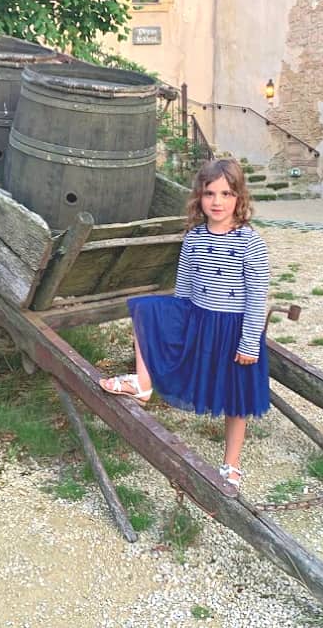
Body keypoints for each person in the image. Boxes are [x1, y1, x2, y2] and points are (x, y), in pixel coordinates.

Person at [99, 158, 270, 491]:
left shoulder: (250, 242)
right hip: (199, 318)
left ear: (239, 198)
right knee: (145, 309)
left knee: (236, 398)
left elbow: (256, 295)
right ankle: (143, 383)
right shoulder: (193, 238)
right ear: (199, 197)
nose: (217, 202)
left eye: (225, 193)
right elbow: (185, 287)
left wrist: (249, 342)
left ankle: (232, 464)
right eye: (209, 193)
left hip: (234, 328)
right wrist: (177, 328)